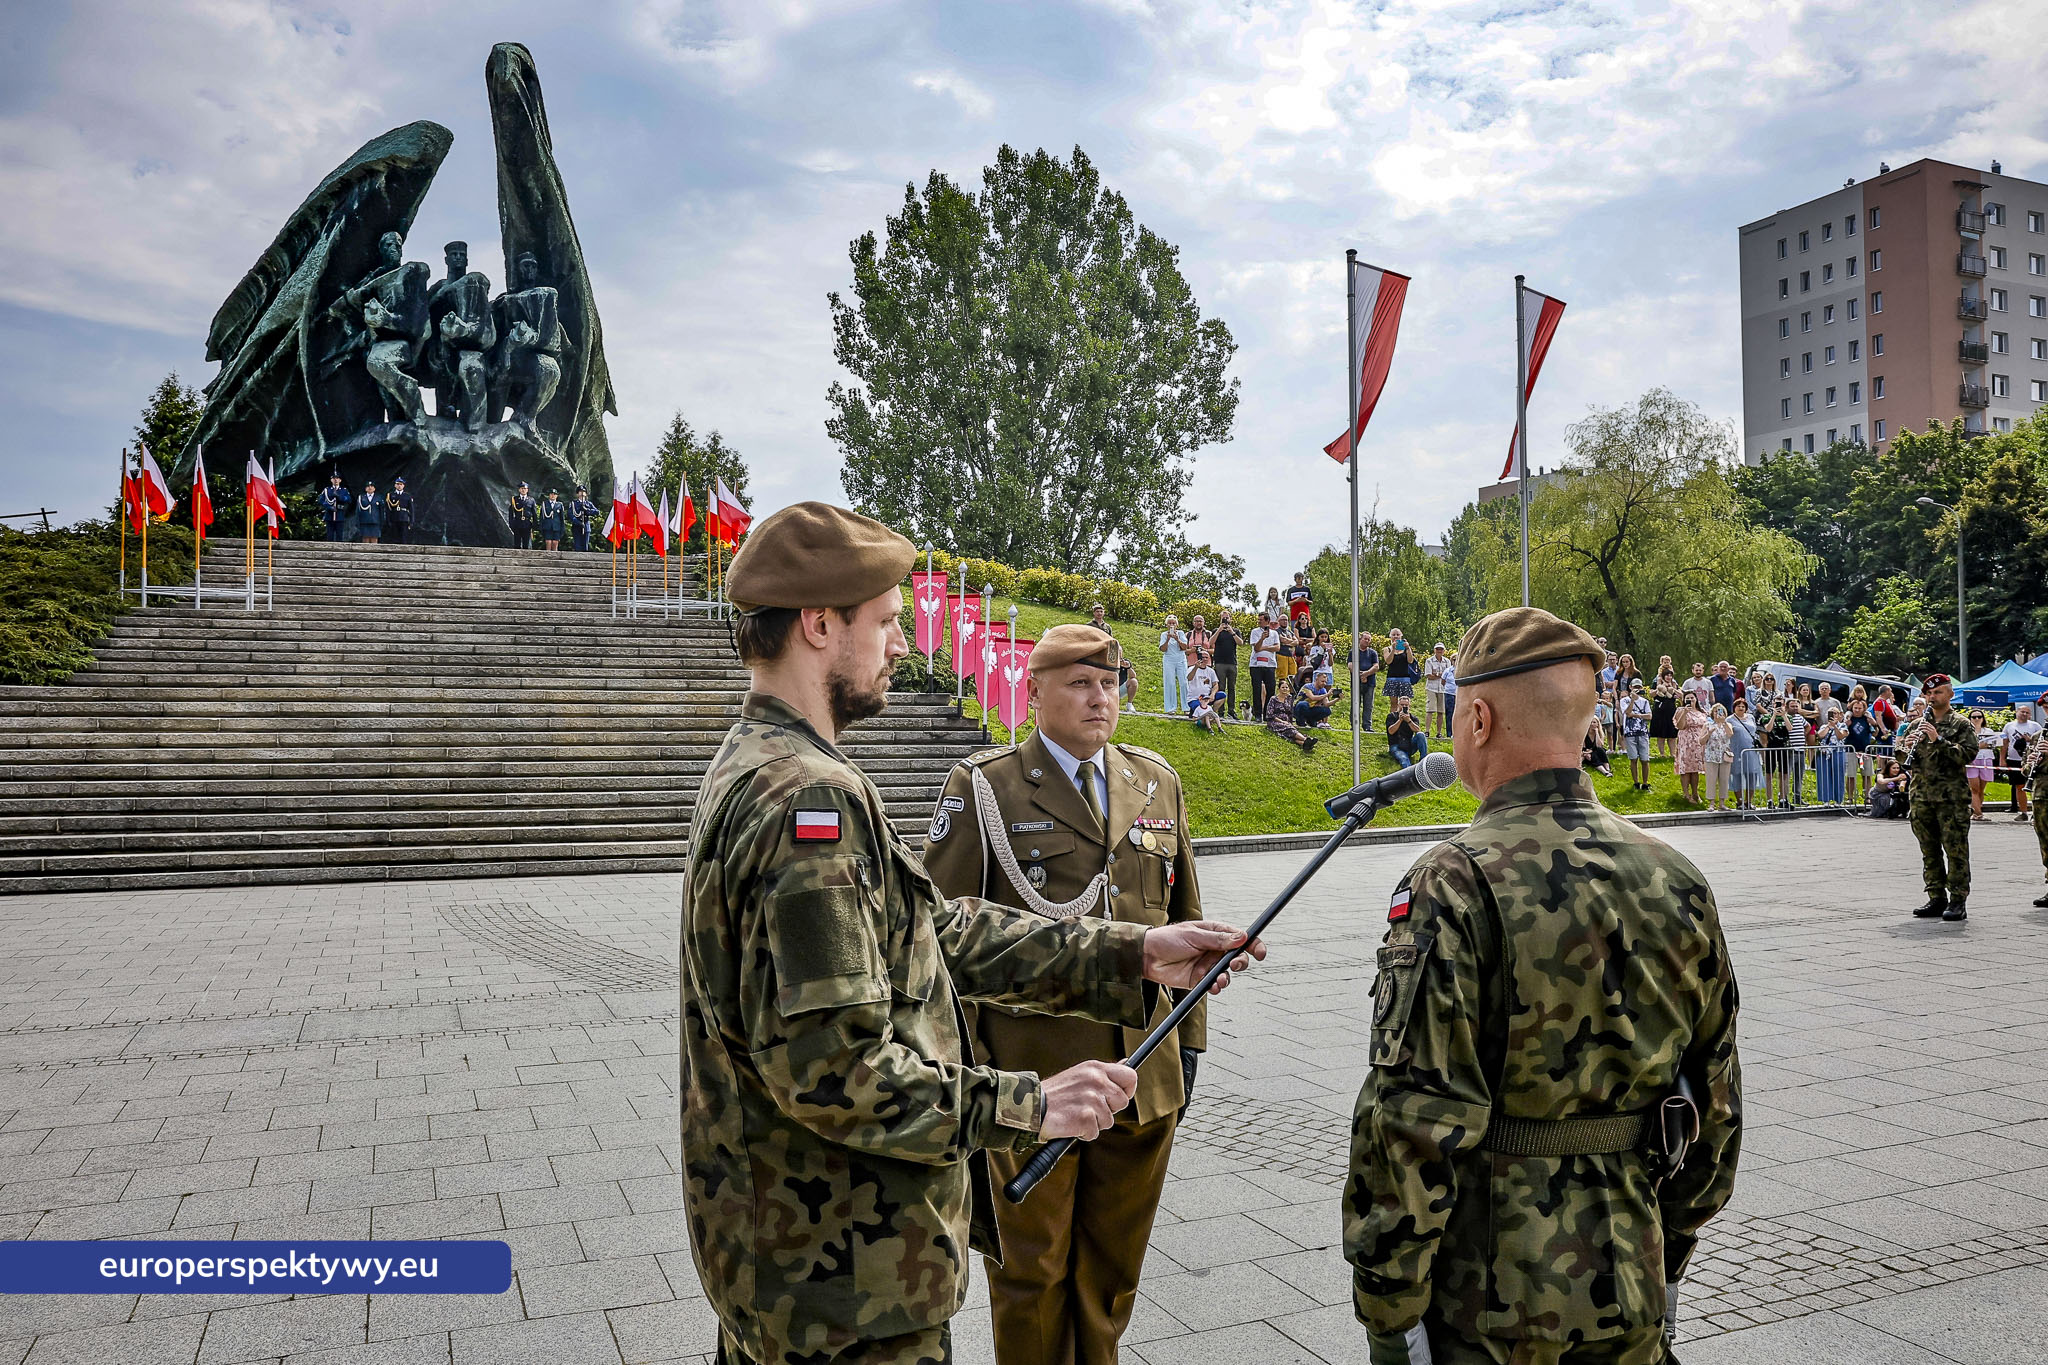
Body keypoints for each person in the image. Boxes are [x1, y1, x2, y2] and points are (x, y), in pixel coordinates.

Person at [679, 505, 1263, 1365]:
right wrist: (1031, 1104)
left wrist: (1131, 953)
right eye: (884, 622)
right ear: (818, 624)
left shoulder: (761, 762)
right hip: (844, 1282)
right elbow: (837, 1072)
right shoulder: (808, 801)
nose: (902, 644)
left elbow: (933, 926)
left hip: (797, 1262)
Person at [1345, 606, 1741, 1365]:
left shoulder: (1453, 880)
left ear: (1479, 717)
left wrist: (1389, 1313)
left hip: (1489, 1303)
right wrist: (1658, 1244)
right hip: (1633, 1285)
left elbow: (1411, 1123)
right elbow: (1715, 1114)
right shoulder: (1676, 877)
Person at [922, 624, 1218, 1365]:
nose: (1100, 698)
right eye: (1081, 683)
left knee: (1111, 1276)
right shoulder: (985, 787)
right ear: (1036, 690)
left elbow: (1185, 916)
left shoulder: (1155, 780)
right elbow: (940, 944)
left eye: (1110, 683)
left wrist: (1189, 1043)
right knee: (1032, 1274)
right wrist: (969, 1068)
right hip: (1034, 1083)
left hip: (1141, 1077)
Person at [1904, 674, 1976, 922]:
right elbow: (1902, 757)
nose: (1932, 697)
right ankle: (1936, 896)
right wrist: (1907, 746)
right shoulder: (1917, 724)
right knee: (1929, 850)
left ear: (1950, 694)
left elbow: (1967, 754)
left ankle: (1958, 899)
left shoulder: (1961, 724)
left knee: (1955, 850)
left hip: (1951, 799)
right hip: (1921, 797)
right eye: (1929, 694)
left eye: (1938, 693)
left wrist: (1938, 740)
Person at [2001, 701, 2040, 821]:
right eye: (2022, 711)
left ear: (2030, 715)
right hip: (2014, 759)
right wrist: (2002, 758)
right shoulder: (2009, 726)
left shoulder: (2035, 726)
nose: (2024, 714)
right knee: (2019, 786)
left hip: (2031, 760)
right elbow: (2004, 743)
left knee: (2034, 786)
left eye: (2027, 712)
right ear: (2016, 712)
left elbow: (2040, 742)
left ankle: (2036, 811)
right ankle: (2023, 812)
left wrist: (2029, 739)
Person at [2029, 692, 2048, 906]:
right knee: (2045, 843)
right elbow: (2025, 768)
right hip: (2041, 796)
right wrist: (2032, 760)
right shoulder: (2038, 736)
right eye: (2045, 708)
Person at [1265, 677, 1319, 753]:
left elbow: (1290, 713)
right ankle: (1305, 739)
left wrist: (1290, 722)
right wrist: (1281, 721)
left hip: (1287, 722)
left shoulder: (1289, 698)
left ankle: (1305, 744)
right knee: (1289, 729)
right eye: (1282, 687)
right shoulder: (1273, 699)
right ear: (1279, 689)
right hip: (1275, 722)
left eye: (1286, 687)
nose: (1285, 689)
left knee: (1289, 732)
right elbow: (1269, 714)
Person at [1674, 691, 1708, 804]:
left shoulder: (1701, 711)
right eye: (1688, 698)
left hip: (1698, 743)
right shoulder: (1680, 710)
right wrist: (1684, 712)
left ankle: (1695, 793)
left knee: (1695, 770)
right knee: (1686, 769)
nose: (1690, 700)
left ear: (1696, 699)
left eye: (1692, 698)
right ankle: (1686, 794)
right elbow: (1680, 726)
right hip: (1686, 742)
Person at [1729, 698, 1761, 811]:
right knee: (1737, 776)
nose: (1741, 708)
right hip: (1737, 751)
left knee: (1752, 776)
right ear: (1734, 707)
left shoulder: (1751, 717)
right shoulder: (1730, 719)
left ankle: (1749, 801)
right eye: (1738, 706)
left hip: (1751, 750)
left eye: (1743, 706)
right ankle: (1740, 801)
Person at [1248, 614, 1282, 719]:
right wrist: (1262, 638)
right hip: (1256, 665)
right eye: (1258, 620)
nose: (1259, 622)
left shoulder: (1274, 633)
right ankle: (1258, 713)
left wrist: (1265, 647)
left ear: (1267, 621)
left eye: (1261, 620)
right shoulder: (1255, 632)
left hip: (1270, 664)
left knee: (1271, 689)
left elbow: (1277, 647)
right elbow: (1257, 648)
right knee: (1257, 689)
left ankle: (1268, 712)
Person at [1622, 681, 1653, 792]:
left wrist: (1636, 715)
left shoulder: (1645, 701)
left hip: (1643, 732)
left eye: (1639, 687)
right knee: (1633, 758)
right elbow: (1627, 713)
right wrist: (1632, 701)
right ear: (1630, 687)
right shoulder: (1624, 700)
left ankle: (1645, 783)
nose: (1637, 689)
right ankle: (1636, 782)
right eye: (1635, 687)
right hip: (1630, 733)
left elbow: (1649, 716)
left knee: (1645, 759)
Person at [1966, 709, 1996, 820]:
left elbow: (1993, 744)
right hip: (1972, 760)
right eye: (1974, 717)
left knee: (1981, 789)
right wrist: (1979, 746)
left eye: (1979, 717)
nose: (1977, 719)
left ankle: (1976, 811)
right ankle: (1978, 813)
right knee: (1974, 788)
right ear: (1970, 719)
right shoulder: (1967, 731)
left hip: (1986, 759)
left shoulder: (1988, 731)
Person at [1703, 703, 1734, 811]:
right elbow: (1701, 741)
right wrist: (1708, 733)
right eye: (1716, 711)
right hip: (1711, 755)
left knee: (1724, 779)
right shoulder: (1707, 725)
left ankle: (1722, 802)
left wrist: (1723, 722)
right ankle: (1711, 803)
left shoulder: (1728, 724)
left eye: (1720, 711)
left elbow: (1730, 734)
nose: (1718, 713)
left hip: (1724, 756)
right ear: (1712, 713)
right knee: (1711, 779)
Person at [1210, 612, 1240, 721]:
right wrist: (1219, 630)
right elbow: (1210, 642)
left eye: (1227, 618)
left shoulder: (1235, 631)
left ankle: (1231, 710)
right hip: (1219, 663)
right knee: (1221, 687)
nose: (1225, 620)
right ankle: (1221, 711)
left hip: (1232, 663)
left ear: (1230, 619)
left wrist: (1231, 632)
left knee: (1232, 687)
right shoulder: (1215, 631)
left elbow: (1240, 643)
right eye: (1223, 619)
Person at [1385, 694, 1427, 769]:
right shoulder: (1391, 716)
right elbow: (1391, 731)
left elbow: (1417, 730)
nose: (1404, 707)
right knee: (1404, 759)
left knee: (1420, 735)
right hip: (1396, 746)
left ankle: (1423, 761)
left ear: (1409, 706)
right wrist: (1400, 720)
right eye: (1402, 705)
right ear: (1398, 705)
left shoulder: (1413, 718)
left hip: (1409, 745)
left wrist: (1409, 721)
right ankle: (1410, 773)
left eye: (1406, 705)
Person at [1157, 615, 1189, 716]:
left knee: (1184, 682)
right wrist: (1167, 639)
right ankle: (1171, 708)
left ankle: (1186, 707)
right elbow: (1162, 649)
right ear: (1166, 625)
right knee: (1170, 683)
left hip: (1180, 659)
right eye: (1169, 623)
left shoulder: (1181, 633)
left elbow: (1184, 647)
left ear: (1177, 625)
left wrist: (1177, 639)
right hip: (1169, 660)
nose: (1171, 625)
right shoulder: (1163, 634)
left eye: (1173, 623)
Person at [1383, 628, 1416, 712]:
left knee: (1405, 704)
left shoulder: (1406, 648)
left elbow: (1410, 660)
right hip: (1392, 678)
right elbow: (1388, 661)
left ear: (1401, 636)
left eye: (1398, 634)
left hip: (1405, 678)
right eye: (1393, 635)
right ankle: (1393, 721)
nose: (1396, 636)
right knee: (1393, 704)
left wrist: (1408, 648)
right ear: (1390, 636)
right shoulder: (1387, 649)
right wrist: (1393, 649)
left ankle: (1405, 721)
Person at [1650, 668, 1679, 761]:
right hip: (1659, 710)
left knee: (1672, 734)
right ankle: (1662, 754)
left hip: (1671, 709)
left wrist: (1673, 689)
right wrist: (1660, 688)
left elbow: (1679, 694)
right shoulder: (1656, 683)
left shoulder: (1674, 684)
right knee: (1660, 733)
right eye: (1667, 675)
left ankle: (1672, 753)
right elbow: (1651, 694)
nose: (1669, 677)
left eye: (1670, 675)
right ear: (1663, 676)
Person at [1355, 632, 1381, 734]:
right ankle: (1354, 725)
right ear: (1360, 639)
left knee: (1368, 705)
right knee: (1356, 704)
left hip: (1370, 683)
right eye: (1365, 639)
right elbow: (1350, 665)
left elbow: (1376, 666)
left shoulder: (1373, 653)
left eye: (1369, 639)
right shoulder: (1354, 652)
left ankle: (1367, 726)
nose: (1367, 641)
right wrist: (1360, 675)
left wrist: (1367, 673)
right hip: (1356, 682)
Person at [1424, 644, 1449, 740]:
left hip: (1443, 688)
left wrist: (1437, 674)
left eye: (1441, 649)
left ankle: (1439, 733)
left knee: (1441, 711)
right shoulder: (1429, 660)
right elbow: (1429, 675)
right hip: (1431, 688)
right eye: (1437, 649)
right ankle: (1427, 731)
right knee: (1430, 710)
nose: (1439, 650)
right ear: (1434, 650)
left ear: (1443, 650)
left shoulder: (1447, 661)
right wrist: (1440, 675)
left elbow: (1448, 675)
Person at [1186, 649, 1219, 720]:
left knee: (1222, 695)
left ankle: (1212, 713)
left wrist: (1212, 694)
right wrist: (1196, 667)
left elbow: (1215, 684)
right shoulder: (1191, 668)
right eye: (1203, 657)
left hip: (1207, 697)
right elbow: (1189, 678)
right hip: (1195, 698)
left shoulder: (1211, 671)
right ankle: (1202, 715)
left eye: (1206, 657)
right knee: (1200, 710)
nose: (1204, 659)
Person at [318, 473, 351, 541]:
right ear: (331, 480)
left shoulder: (344, 490)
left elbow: (349, 499)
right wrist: (328, 507)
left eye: (337, 478)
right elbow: (320, 500)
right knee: (330, 535)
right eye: (334, 478)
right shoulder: (327, 490)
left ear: (340, 480)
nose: (335, 480)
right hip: (329, 515)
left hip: (339, 515)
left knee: (339, 535)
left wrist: (340, 497)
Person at [568, 484, 601, 552]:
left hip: (586, 526)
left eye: (584, 491)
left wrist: (587, 510)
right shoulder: (573, 503)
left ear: (586, 494)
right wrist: (578, 522)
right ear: (577, 494)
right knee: (577, 546)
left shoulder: (589, 504)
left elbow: (597, 512)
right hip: (577, 526)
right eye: (580, 491)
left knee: (585, 547)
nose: (582, 493)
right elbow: (570, 515)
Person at [384, 476, 415, 543]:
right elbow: (388, 509)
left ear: (403, 486)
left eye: (401, 484)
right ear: (395, 485)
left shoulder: (407, 496)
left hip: (404, 518)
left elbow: (411, 509)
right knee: (394, 537)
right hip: (394, 518)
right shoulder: (391, 495)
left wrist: (411, 521)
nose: (399, 486)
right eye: (398, 484)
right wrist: (388, 520)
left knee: (403, 537)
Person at [508, 481, 537, 550]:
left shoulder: (531, 500)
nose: (523, 490)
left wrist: (534, 524)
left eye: (525, 488)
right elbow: (511, 512)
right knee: (517, 543)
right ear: (519, 490)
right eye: (522, 488)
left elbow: (534, 513)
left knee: (526, 543)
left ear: (527, 490)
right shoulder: (514, 499)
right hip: (517, 523)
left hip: (527, 523)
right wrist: (511, 523)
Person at [354, 479, 383, 545]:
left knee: (374, 540)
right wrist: (357, 522)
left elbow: (381, 511)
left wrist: (382, 522)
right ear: (365, 488)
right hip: (364, 522)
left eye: (372, 486)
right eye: (368, 486)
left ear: (374, 488)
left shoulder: (379, 497)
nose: (370, 488)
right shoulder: (361, 497)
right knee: (365, 541)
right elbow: (358, 511)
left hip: (375, 522)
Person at [1440, 652, 1458, 737]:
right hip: (1449, 694)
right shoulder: (1447, 670)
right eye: (1454, 659)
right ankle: (1449, 733)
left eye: (1458, 659)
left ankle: (1457, 732)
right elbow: (1443, 681)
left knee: (1458, 713)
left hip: (1459, 694)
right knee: (1449, 713)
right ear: (1451, 661)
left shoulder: (1461, 670)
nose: (1456, 661)